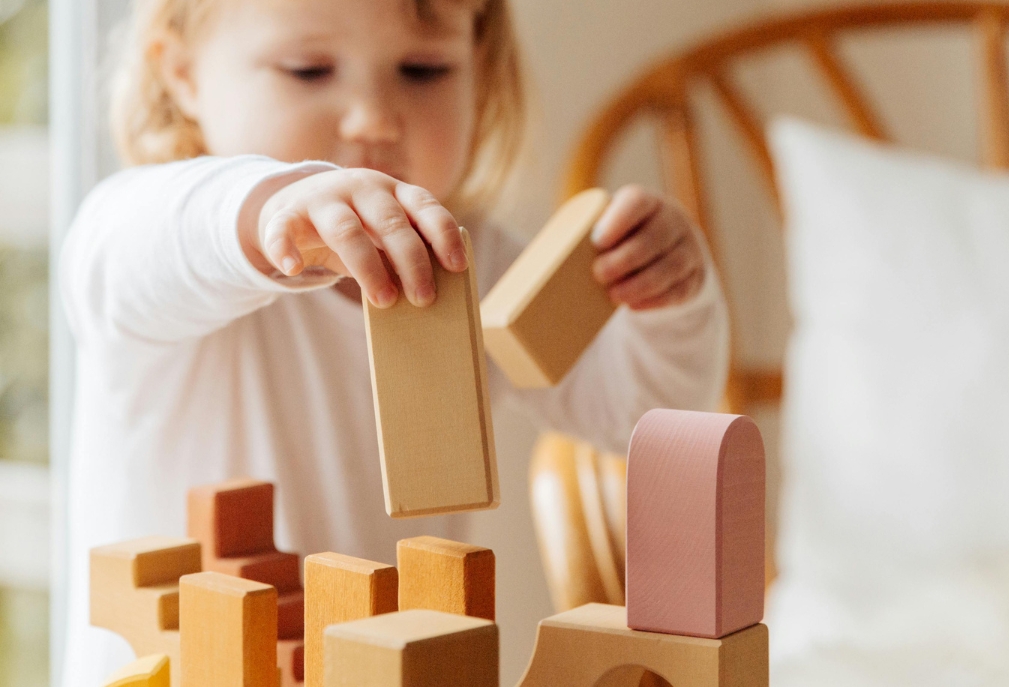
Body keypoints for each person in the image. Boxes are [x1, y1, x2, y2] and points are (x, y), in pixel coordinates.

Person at [60, 0, 728, 683]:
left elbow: (642, 416)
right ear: (182, 76)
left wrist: (666, 303)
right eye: (308, 69)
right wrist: (268, 213)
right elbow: (121, 252)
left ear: (482, 72)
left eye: (423, 69)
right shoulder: (170, 241)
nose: (374, 117)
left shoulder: (476, 262)